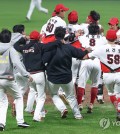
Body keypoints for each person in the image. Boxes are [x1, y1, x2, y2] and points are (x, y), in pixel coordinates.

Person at [42, 26, 91, 119]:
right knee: (71, 97)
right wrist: (86, 51)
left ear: (54, 35)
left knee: (54, 95)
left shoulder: (50, 48)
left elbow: (44, 61)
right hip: (67, 77)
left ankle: (62, 108)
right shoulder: (69, 47)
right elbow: (80, 54)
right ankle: (78, 115)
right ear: (64, 35)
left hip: (53, 78)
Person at [14, 30, 62, 122]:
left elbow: (15, 45)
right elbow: (51, 45)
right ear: (38, 38)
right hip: (39, 75)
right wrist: (59, 40)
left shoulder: (24, 47)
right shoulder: (39, 46)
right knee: (41, 97)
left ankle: (36, 111)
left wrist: (23, 38)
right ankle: (36, 116)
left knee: (35, 93)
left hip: (29, 76)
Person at [83, 29, 120, 121]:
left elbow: (87, 56)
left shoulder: (101, 48)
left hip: (107, 76)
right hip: (119, 74)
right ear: (116, 38)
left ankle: (118, 109)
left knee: (111, 93)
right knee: (119, 94)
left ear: (106, 38)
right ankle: (119, 110)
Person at [0, 29, 33, 131]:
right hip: (8, 79)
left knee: (2, 102)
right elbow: (17, 64)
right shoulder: (11, 49)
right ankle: (20, 121)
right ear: (10, 38)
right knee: (18, 97)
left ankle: (1, 123)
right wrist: (27, 75)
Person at [76, 23, 107, 113]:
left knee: (81, 84)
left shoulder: (83, 37)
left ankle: (79, 104)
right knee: (95, 84)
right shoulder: (102, 39)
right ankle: (91, 105)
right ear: (97, 31)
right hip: (97, 62)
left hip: (86, 61)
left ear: (88, 30)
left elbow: (78, 44)